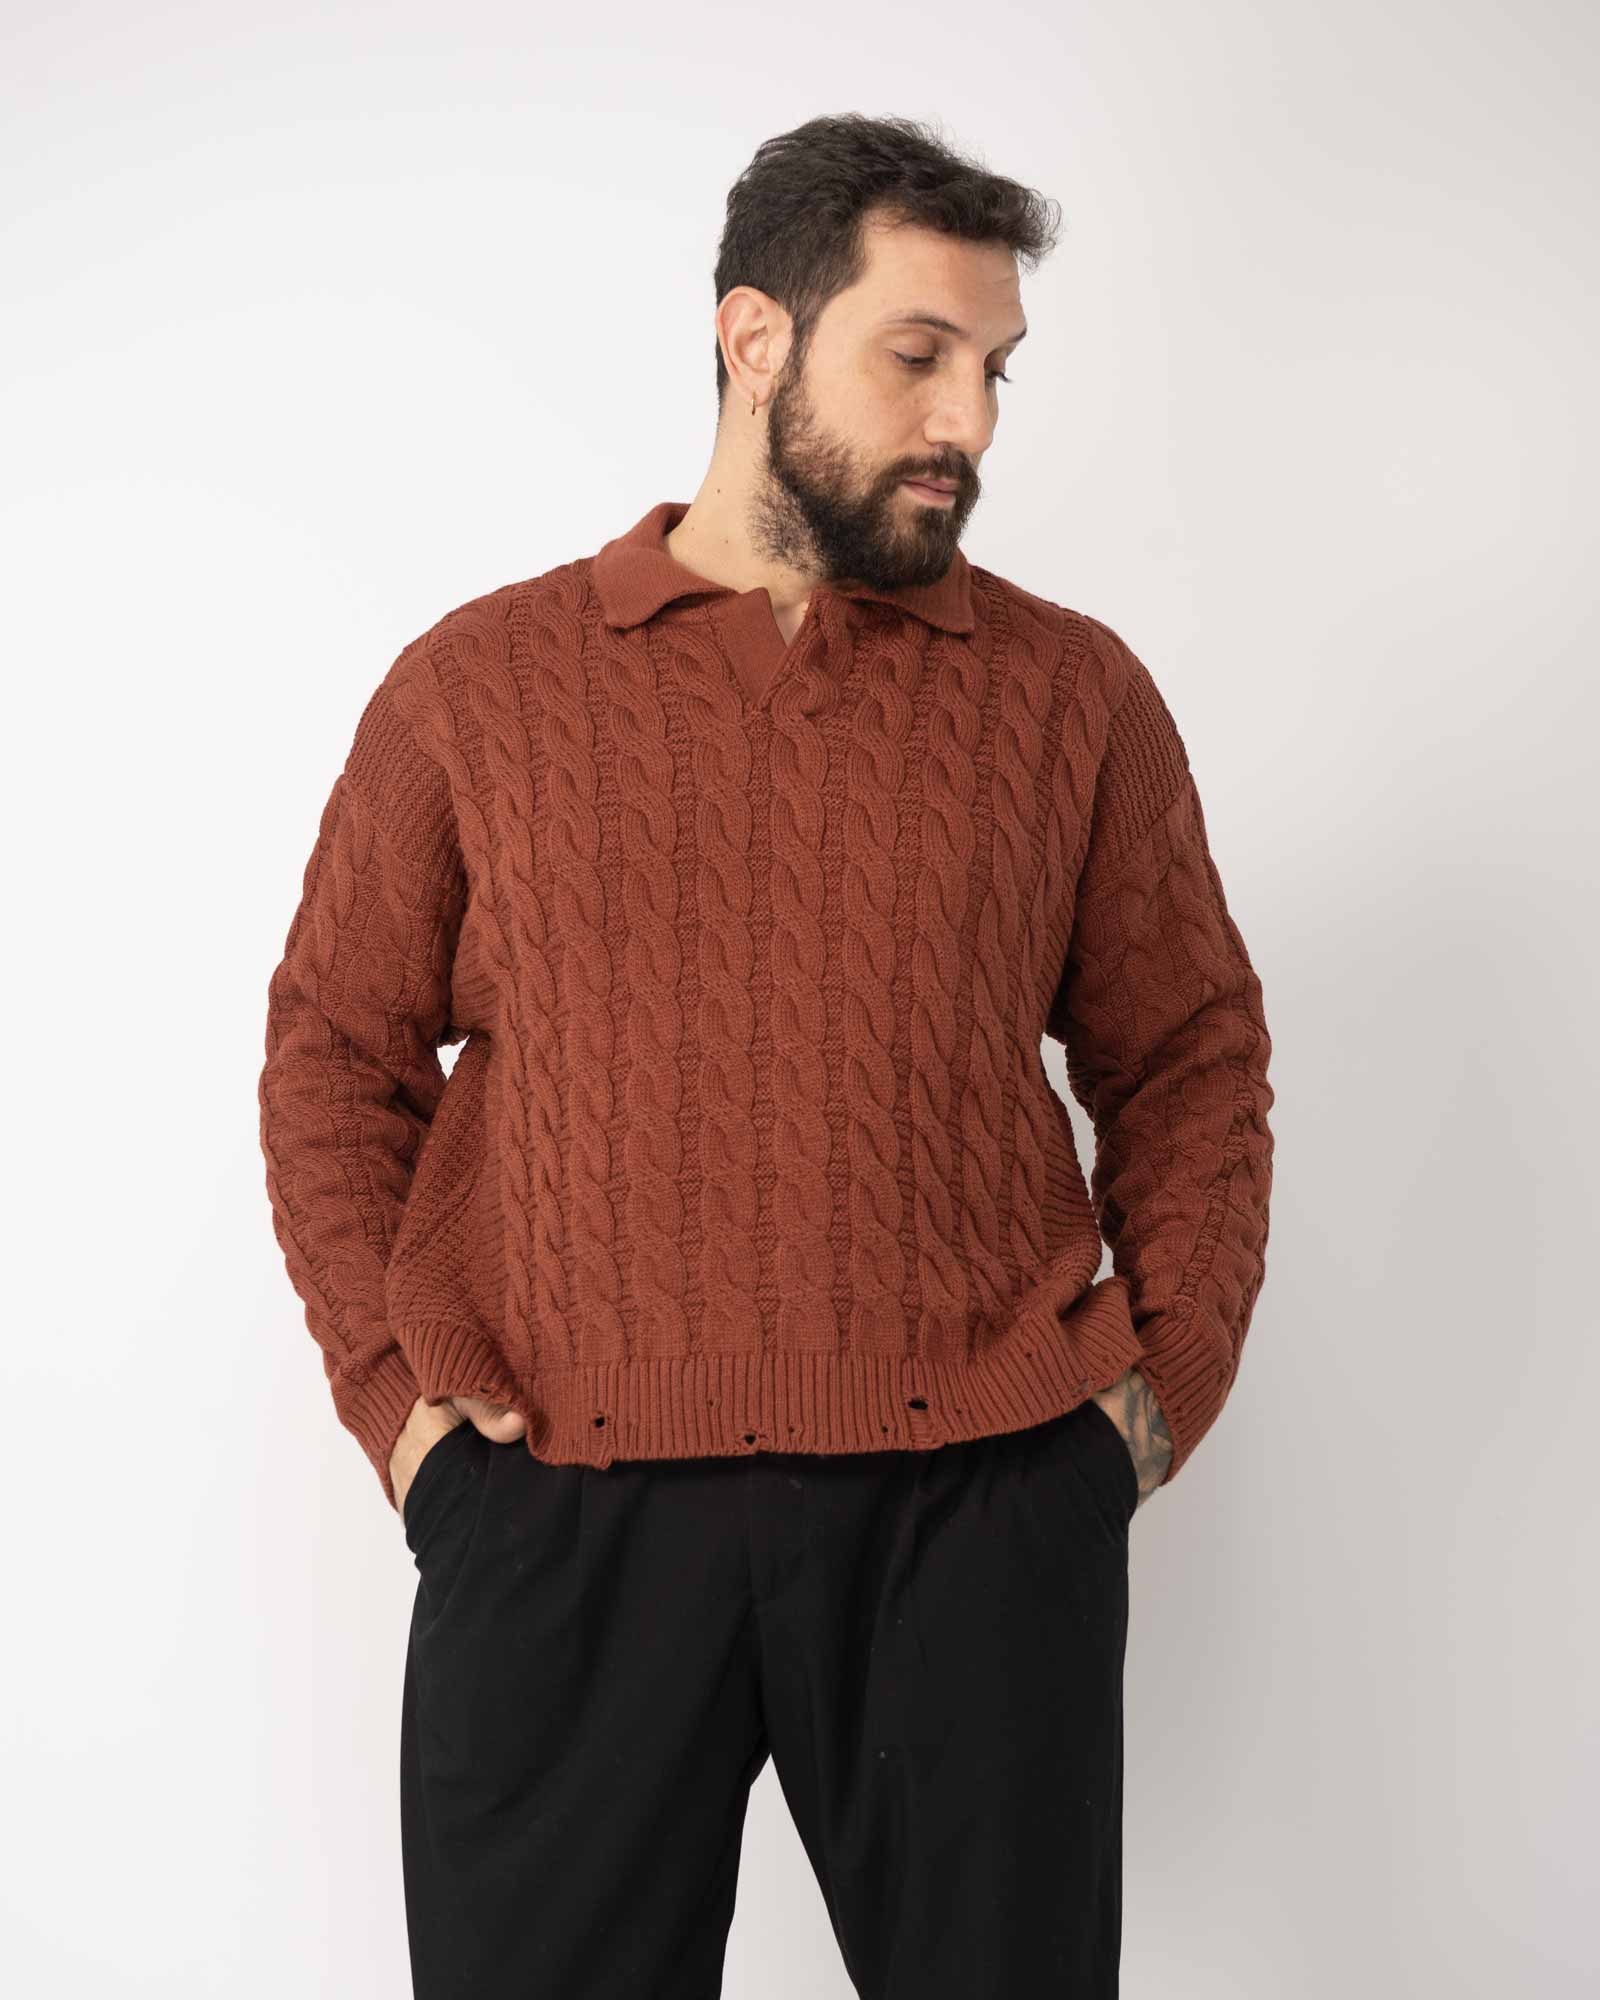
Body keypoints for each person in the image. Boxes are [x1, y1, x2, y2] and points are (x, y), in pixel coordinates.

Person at [258, 111, 1275, 1999]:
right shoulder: (479, 688)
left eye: (996, 370)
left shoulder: (1073, 696)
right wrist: (407, 1424)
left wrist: (1147, 1403)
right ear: (754, 340)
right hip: (559, 1506)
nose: (969, 422)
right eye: (918, 356)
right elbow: (333, 1053)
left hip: (978, 1509)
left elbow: (1193, 1053)